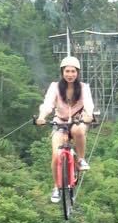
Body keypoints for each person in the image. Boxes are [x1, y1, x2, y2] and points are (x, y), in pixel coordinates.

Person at [35, 56, 94, 203]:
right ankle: (56, 187)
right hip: (60, 121)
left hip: (77, 120)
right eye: (67, 71)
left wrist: (88, 115)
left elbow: (88, 105)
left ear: (77, 72)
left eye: (73, 71)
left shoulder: (83, 88)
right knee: (56, 155)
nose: (70, 74)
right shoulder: (55, 87)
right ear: (62, 72)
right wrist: (42, 116)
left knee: (78, 131)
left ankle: (80, 159)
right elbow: (48, 104)